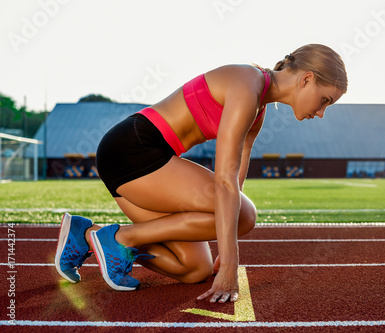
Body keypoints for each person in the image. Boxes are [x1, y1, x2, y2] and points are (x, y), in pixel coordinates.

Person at [55, 44, 348, 303]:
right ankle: (121, 239)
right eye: (325, 100)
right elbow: (224, 181)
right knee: (246, 216)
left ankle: (87, 235)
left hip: (143, 164)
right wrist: (231, 262)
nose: (321, 113)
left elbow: (239, 176)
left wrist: (226, 238)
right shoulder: (248, 84)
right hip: (134, 150)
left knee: (194, 269)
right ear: (307, 79)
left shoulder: (259, 108)